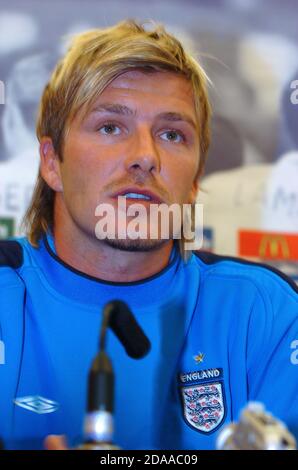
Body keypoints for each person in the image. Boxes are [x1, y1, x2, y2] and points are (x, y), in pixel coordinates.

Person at [0, 20, 297, 451]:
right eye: (110, 127)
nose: (144, 156)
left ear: (195, 178)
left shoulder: (264, 312)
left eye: (172, 134)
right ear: (51, 162)